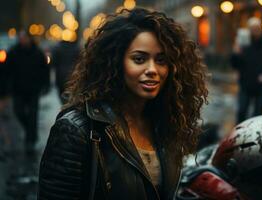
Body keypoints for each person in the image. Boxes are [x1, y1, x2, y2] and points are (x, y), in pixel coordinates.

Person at [38, 8, 208, 200]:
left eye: (161, 60)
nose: (152, 69)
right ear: (116, 62)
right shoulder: (77, 130)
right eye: (139, 59)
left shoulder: (166, 122)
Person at [6, 30, 49, 153]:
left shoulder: (38, 53)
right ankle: (31, 132)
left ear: (29, 39)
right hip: (18, 90)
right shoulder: (13, 52)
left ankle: (30, 141)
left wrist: (45, 85)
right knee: (18, 112)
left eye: (24, 37)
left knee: (33, 115)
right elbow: (6, 70)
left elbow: (45, 70)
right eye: (21, 37)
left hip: (33, 90)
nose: (22, 40)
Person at [230, 17, 262, 123]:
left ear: (260, 29)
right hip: (245, 84)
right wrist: (235, 53)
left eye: (257, 28)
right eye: (252, 29)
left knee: (258, 115)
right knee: (241, 111)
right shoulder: (244, 46)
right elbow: (235, 64)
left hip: (261, 86)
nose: (254, 31)